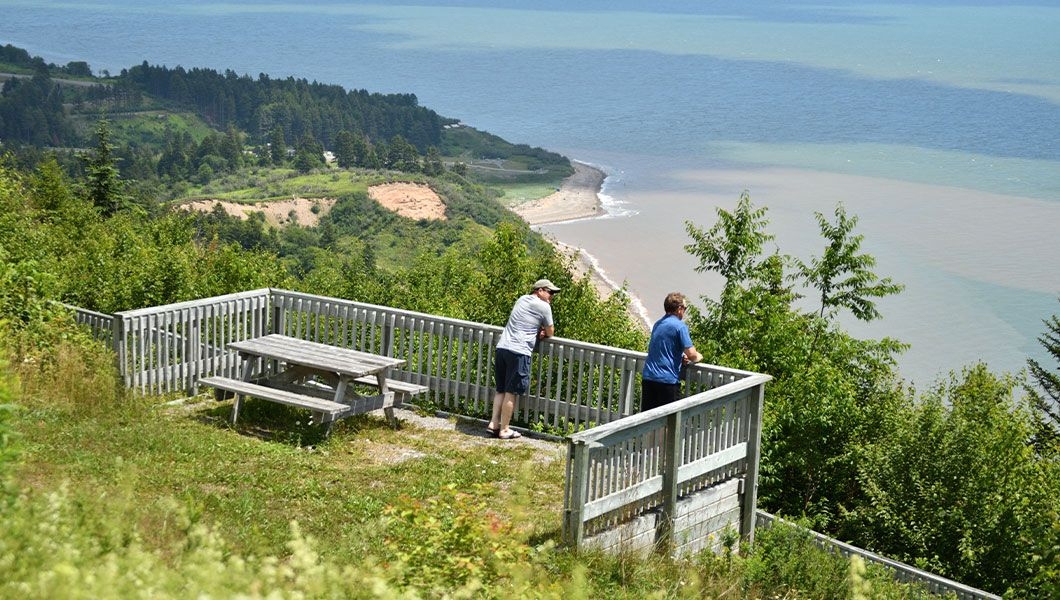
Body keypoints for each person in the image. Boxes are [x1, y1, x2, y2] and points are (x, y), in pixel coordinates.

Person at [487, 278, 560, 439]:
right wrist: (541, 332)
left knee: (500, 389)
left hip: (502, 347)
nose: (551, 296)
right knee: (511, 392)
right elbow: (550, 332)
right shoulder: (544, 306)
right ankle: (505, 429)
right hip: (519, 351)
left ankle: (493, 424)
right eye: (550, 292)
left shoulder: (521, 299)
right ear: (539, 290)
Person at [640, 292, 702, 412]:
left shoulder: (658, 324)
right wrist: (699, 356)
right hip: (667, 381)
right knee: (670, 423)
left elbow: (663, 348)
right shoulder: (680, 327)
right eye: (685, 308)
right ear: (679, 309)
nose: (684, 312)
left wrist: (680, 356)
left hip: (649, 378)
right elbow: (692, 355)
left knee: (648, 422)